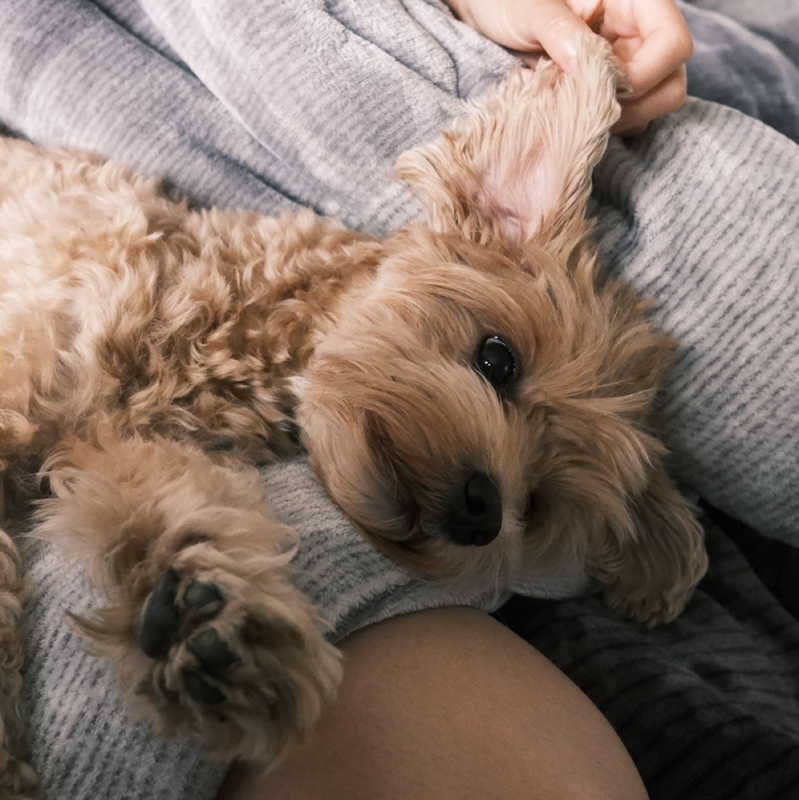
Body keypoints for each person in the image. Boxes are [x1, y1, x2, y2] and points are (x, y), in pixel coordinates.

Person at [2, 1, 798, 798]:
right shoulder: (129, 266)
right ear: (489, 202)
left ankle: (187, 578)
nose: (497, 498)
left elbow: (102, 450)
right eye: (495, 362)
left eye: (535, 497)